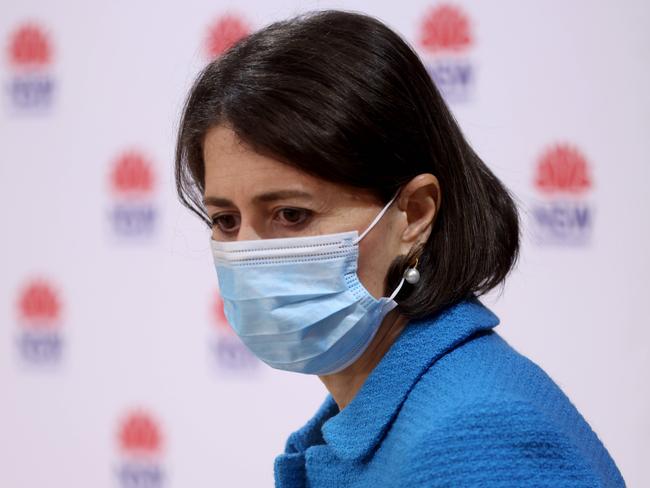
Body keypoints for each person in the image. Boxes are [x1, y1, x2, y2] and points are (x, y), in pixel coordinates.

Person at [174, 9, 625, 487]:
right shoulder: (379, 415)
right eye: (225, 220)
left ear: (414, 213)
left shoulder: (476, 435)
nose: (249, 255)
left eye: (291, 215)